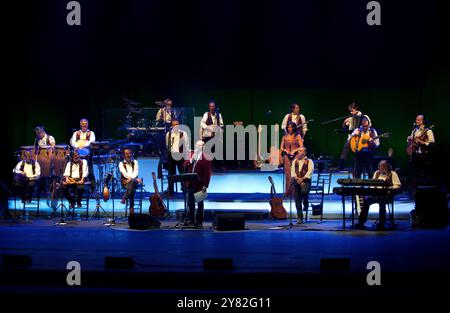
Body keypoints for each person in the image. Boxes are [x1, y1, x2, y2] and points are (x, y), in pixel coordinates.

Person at [355, 160, 401, 230]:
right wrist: (373, 188)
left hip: (387, 196)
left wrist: (389, 188)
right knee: (367, 201)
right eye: (380, 166)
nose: (382, 168)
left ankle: (381, 223)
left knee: (382, 202)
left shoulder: (392, 173)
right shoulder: (377, 173)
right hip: (376, 195)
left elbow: (397, 185)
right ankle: (361, 222)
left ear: (387, 167)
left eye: (384, 166)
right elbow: (372, 184)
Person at [185, 140, 212, 227]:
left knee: (200, 203)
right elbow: (184, 164)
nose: (196, 147)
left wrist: (205, 185)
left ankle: (199, 221)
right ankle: (191, 219)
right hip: (191, 182)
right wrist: (190, 161)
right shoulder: (192, 154)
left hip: (200, 184)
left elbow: (207, 173)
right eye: (196, 145)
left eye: (198, 146)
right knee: (190, 203)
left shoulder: (206, 157)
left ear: (202, 147)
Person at [339, 102, 372, 170]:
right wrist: (344, 123)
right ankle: (341, 167)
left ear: (356, 109)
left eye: (352, 111)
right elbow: (345, 128)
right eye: (350, 111)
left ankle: (358, 168)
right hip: (351, 137)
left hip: (361, 137)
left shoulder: (364, 116)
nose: (351, 112)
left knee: (358, 153)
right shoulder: (351, 118)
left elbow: (369, 125)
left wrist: (360, 129)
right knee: (345, 149)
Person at [407, 114, 435, 187]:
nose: (416, 121)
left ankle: (426, 190)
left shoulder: (428, 131)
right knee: (414, 173)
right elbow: (412, 141)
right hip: (415, 154)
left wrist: (422, 142)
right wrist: (410, 139)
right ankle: (415, 190)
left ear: (423, 121)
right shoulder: (414, 130)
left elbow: (432, 143)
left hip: (424, 155)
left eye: (418, 120)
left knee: (425, 173)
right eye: (416, 119)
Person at [70, 118, 96, 191]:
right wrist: (77, 146)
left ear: (87, 124)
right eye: (83, 124)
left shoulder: (91, 133)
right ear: (80, 125)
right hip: (77, 154)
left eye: (86, 124)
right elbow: (72, 142)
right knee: (76, 171)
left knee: (90, 172)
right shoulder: (76, 133)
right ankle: (75, 188)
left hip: (87, 154)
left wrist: (84, 145)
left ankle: (93, 189)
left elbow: (92, 141)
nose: (84, 125)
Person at [290, 147, 314, 224]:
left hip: (305, 181)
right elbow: (292, 172)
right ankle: (300, 218)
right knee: (297, 199)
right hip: (297, 181)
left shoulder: (309, 161)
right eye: (298, 151)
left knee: (304, 192)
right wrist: (298, 179)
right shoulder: (295, 161)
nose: (298, 152)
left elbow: (310, 171)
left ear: (304, 153)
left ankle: (306, 203)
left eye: (300, 151)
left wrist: (303, 179)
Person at [165, 119, 189, 195]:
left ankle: (184, 189)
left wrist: (186, 158)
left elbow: (186, 146)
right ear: (172, 125)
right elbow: (167, 145)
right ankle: (171, 190)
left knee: (182, 173)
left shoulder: (183, 134)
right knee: (171, 174)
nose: (176, 126)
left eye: (177, 124)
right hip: (171, 156)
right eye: (174, 124)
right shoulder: (168, 134)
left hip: (180, 156)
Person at [280, 122, 303, 196]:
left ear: (294, 128)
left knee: (295, 173)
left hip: (295, 156)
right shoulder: (285, 136)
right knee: (287, 174)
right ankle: (287, 191)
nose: (290, 128)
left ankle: (295, 192)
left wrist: (294, 150)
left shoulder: (298, 136)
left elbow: (301, 147)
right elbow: (281, 147)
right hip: (287, 156)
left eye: (291, 127)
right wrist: (285, 150)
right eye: (288, 127)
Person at [118, 149, 141, 214]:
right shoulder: (121, 164)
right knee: (132, 188)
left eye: (130, 153)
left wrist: (131, 178)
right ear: (124, 155)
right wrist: (132, 178)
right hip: (125, 181)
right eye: (127, 154)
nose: (129, 155)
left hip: (132, 181)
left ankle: (124, 197)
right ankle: (131, 208)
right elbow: (124, 173)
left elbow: (136, 172)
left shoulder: (135, 162)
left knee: (132, 182)